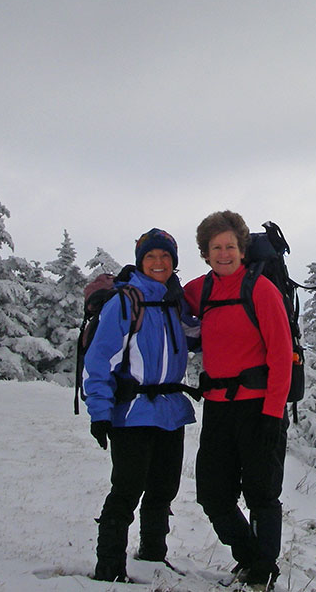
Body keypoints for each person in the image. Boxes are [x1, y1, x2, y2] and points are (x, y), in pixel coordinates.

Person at [183, 210, 292, 590]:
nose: (224, 253)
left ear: (242, 249)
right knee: (213, 494)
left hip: (260, 407)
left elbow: (281, 355)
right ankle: (250, 557)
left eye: (230, 246)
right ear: (205, 252)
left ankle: (262, 572)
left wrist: (272, 415)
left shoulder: (261, 290)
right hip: (218, 407)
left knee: (262, 494)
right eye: (216, 247)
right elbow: (162, 302)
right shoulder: (201, 290)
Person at [83, 228, 197, 583]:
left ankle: (152, 556)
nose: (159, 263)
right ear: (140, 261)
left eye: (165, 257)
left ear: (174, 263)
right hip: (131, 411)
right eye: (151, 257)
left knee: (164, 488)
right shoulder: (124, 302)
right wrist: (100, 413)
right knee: (128, 488)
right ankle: (109, 566)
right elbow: (100, 360)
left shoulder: (174, 302)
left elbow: (200, 338)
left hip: (170, 410)